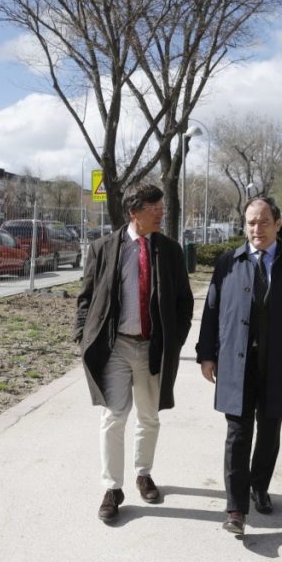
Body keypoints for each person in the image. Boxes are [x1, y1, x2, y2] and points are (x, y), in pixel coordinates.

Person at [196, 197, 282, 535]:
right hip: (237, 364)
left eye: (264, 221)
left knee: (269, 433)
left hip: (279, 363)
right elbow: (211, 311)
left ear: (278, 224)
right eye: (251, 222)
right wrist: (206, 353)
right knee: (238, 434)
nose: (257, 228)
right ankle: (236, 509)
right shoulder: (228, 262)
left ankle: (259, 486)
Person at [74, 183, 194, 523]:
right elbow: (86, 298)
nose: (161, 213)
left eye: (162, 207)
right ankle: (112, 488)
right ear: (134, 212)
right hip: (115, 346)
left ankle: (144, 473)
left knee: (150, 415)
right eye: (154, 208)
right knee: (114, 416)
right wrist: (82, 336)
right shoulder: (103, 249)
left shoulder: (170, 251)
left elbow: (185, 301)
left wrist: (177, 338)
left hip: (152, 346)